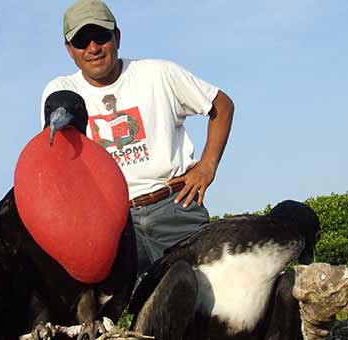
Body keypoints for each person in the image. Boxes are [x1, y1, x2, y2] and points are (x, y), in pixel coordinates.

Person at [41, 0, 234, 276]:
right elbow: (56, 161)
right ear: (69, 50)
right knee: (107, 309)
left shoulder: (159, 73)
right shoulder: (61, 91)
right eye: (82, 41)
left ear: (117, 37)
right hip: (112, 222)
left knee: (210, 295)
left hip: (175, 208)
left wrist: (207, 166)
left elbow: (222, 105)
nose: (93, 48)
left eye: (101, 36)